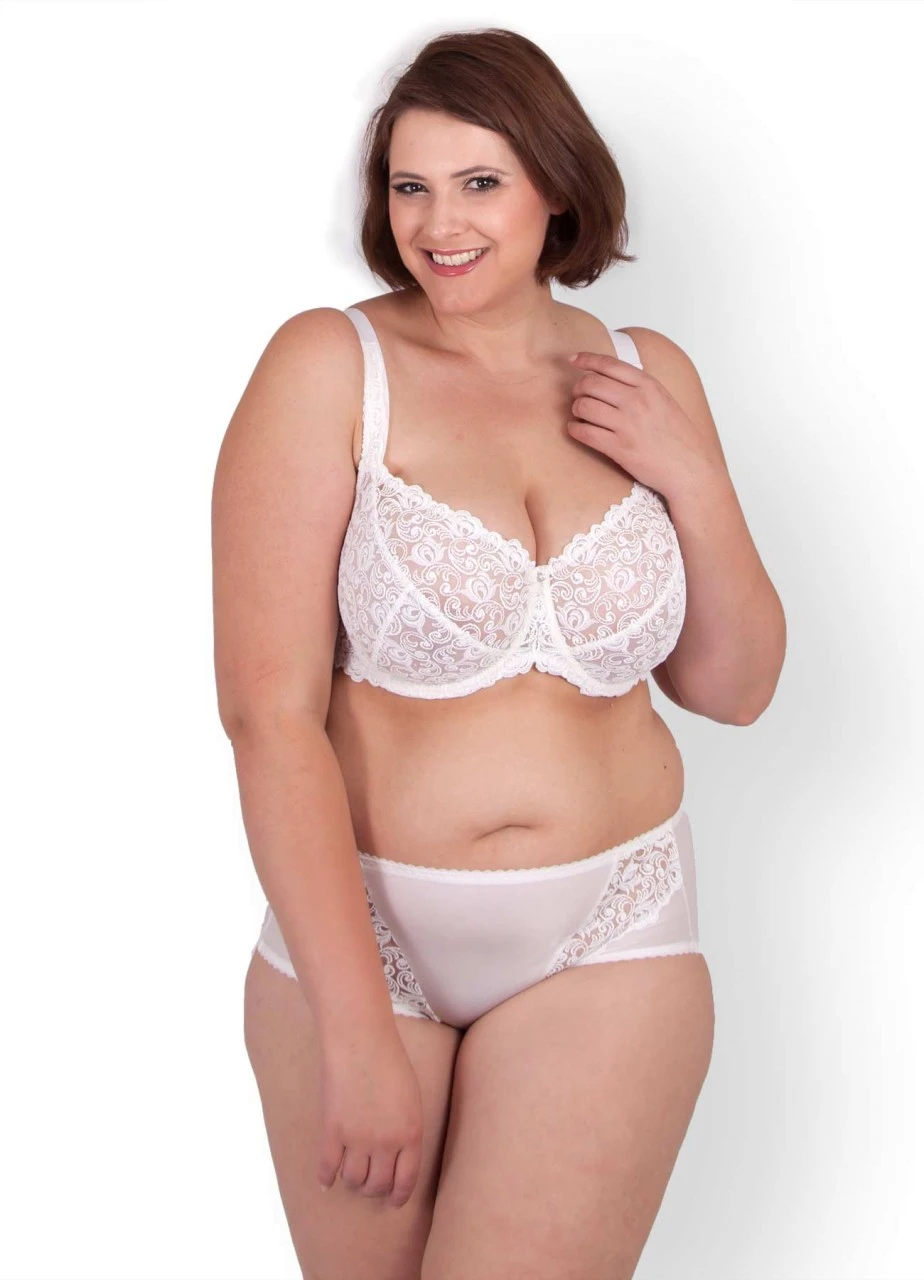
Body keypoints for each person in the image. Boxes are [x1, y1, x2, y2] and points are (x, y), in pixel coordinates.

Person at [211, 25, 786, 1280]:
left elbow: (734, 687)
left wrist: (693, 474)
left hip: (614, 925)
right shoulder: (330, 366)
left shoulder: (644, 372)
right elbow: (267, 717)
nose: (439, 224)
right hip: (366, 934)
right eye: (409, 186)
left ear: (556, 187)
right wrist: (354, 1029)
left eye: (480, 182)